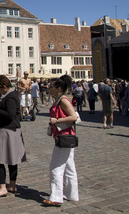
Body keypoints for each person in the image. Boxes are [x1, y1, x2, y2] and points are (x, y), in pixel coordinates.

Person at [0, 75, 26, 198]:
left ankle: (2, 187)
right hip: (12, 131)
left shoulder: (10, 97)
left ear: (4, 87)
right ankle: (12, 185)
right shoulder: (11, 96)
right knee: (12, 160)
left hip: (7, 131)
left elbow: (10, 115)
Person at [44, 75, 79, 206]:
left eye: (51, 87)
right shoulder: (58, 99)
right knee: (69, 167)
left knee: (55, 167)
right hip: (63, 136)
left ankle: (56, 197)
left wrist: (57, 120)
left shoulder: (63, 100)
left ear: (58, 88)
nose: (49, 89)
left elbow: (73, 117)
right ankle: (71, 194)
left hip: (64, 137)